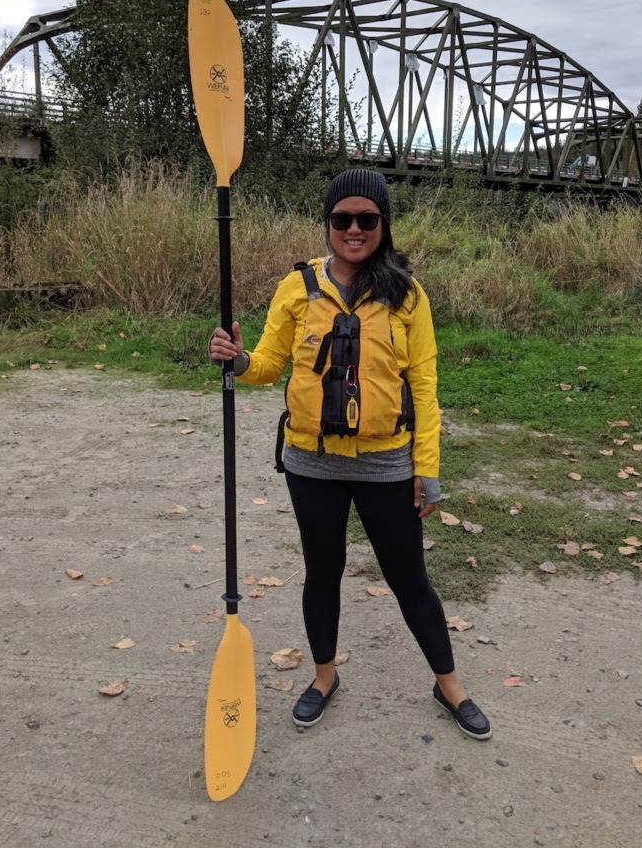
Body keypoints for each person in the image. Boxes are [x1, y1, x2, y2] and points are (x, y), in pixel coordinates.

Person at [209, 168, 492, 740]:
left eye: (368, 219)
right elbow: (267, 366)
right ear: (328, 224)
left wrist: (427, 470)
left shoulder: (407, 295)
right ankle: (322, 676)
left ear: (383, 225)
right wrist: (237, 360)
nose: (355, 229)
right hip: (311, 463)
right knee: (323, 572)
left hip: (387, 461)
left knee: (409, 577)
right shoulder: (296, 288)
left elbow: (427, 388)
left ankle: (450, 685)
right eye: (343, 219)